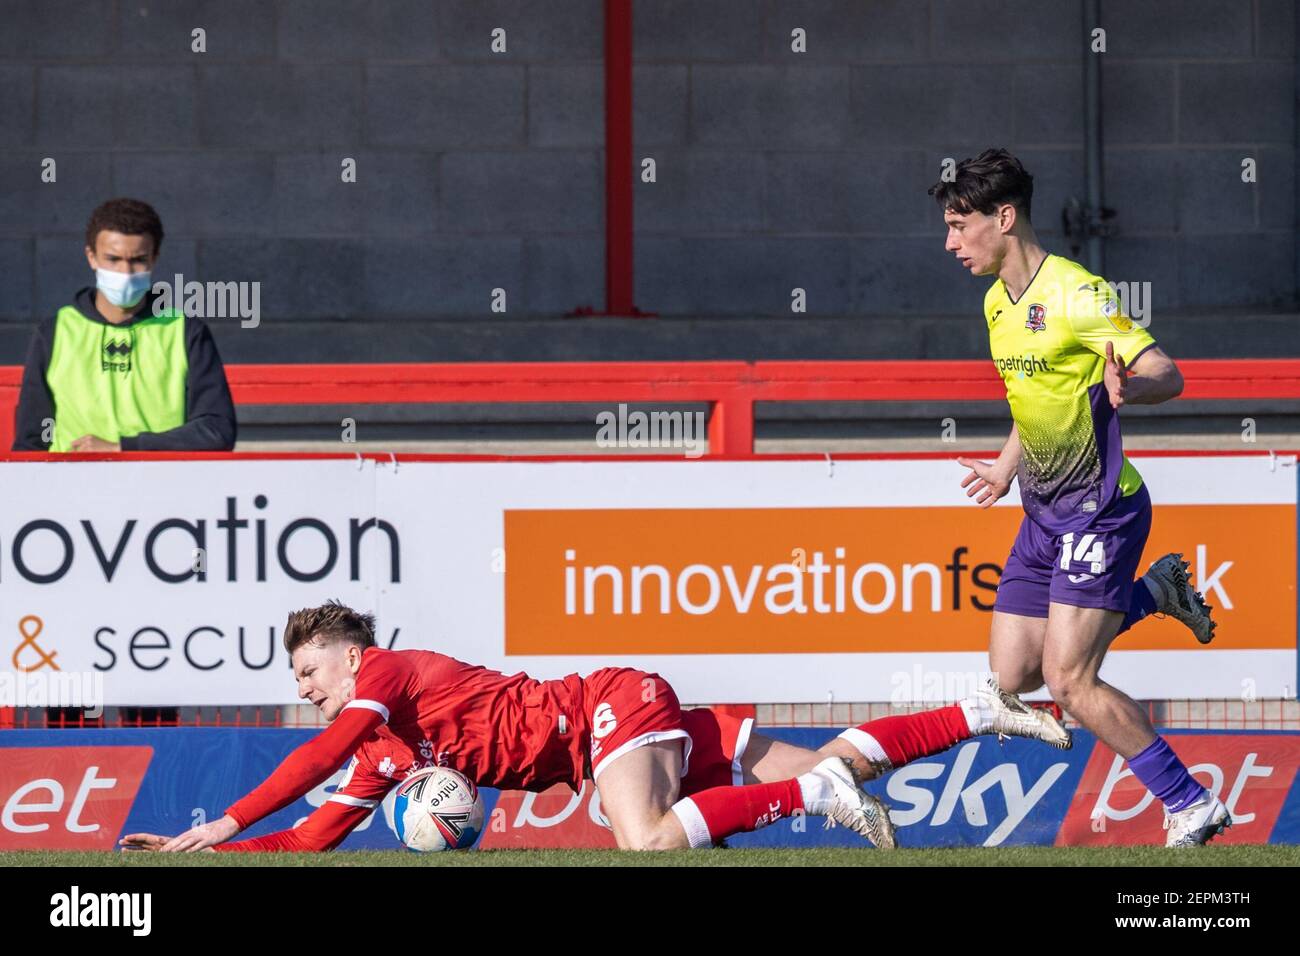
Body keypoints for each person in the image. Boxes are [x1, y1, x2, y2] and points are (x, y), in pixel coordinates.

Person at [121, 600, 1069, 853]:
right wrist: (205, 855)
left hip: (604, 707)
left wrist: (224, 817)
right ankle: (976, 710)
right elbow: (318, 828)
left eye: (307, 670)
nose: (306, 688)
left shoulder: (386, 674)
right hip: (609, 728)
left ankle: (810, 800)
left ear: (346, 652)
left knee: (647, 842)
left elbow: (317, 756)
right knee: (828, 753)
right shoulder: (384, 744)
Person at [929, 149, 1226, 847]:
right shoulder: (998, 302)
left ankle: (1191, 803)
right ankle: (1155, 594)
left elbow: (1166, 372)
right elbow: (1032, 398)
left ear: (1003, 218)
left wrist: (1134, 387)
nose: (949, 242)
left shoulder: (1076, 293)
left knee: (1070, 679)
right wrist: (1006, 468)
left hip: (1102, 509)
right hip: (1042, 507)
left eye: (957, 224)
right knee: (1012, 677)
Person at [12, 197, 236, 452]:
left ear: (154, 259)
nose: (125, 272)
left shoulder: (186, 331)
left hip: (161, 485)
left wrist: (124, 448)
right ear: (91, 257)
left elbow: (217, 431)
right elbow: (31, 442)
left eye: (138, 260)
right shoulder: (55, 331)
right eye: (113, 259)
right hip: (75, 487)